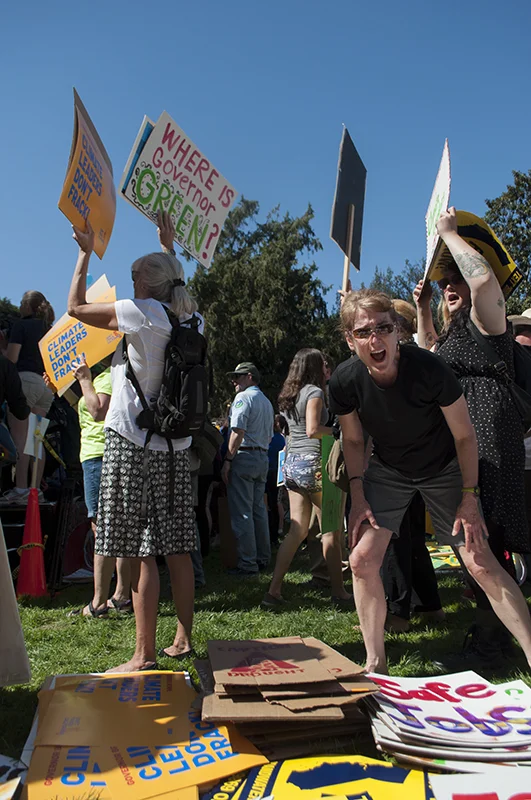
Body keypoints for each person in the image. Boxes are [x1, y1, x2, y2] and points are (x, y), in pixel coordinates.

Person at [329, 288, 531, 674]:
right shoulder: (344, 380)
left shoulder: (428, 369)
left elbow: (465, 436)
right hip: (388, 471)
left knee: (479, 561)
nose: (375, 340)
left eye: (383, 328)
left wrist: (469, 499)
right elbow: (354, 440)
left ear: (397, 331)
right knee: (361, 559)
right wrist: (358, 494)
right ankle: (376, 664)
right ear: (349, 339)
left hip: (445, 468)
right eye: (363, 332)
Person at [67, 212, 198, 672]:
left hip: (135, 442)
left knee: (141, 548)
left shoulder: (141, 314)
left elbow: (76, 309)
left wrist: (84, 252)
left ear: (149, 283)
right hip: (176, 446)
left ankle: (142, 654)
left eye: (136, 273)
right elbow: (174, 282)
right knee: (178, 547)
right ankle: (182, 639)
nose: (131, 277)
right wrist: (169, 247)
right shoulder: (189, 318)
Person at [414, 207, 531, 665]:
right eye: (445, 284)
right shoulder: (452, 333)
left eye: (454, 279)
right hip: (463, 443)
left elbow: (484, 282)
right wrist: (425, 307)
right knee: (474, 542)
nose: (451, 287)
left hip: (490, 439)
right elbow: (427, 352)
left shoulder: (489, 320)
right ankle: (492, 634)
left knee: (491, 538)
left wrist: (449, 236)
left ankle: (495, 641)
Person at [263, 348, 351, 608]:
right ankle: (339, 591)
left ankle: (274, 590)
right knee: (331, 530)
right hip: (315, 464)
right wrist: (337, 429)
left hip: (292, 465)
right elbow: (313, 430)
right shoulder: (313, 393)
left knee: (297, 530)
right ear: (313, 367)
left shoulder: (288, 396)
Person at [382, 299, 444, 632]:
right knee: (412, 537)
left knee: (395, 539)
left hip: (397, 465)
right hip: (419, 464)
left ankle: (397, 612)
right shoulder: (421, 360)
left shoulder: (406, 362)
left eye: (384, 325)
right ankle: (429, 606)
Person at [61, 356, 132, 619]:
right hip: (98, 456)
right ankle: (120, 596)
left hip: (98, 457)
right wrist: (65, 389)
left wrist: (83, 379)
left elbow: (97, 410)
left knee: (102, 526)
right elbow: (83, 406)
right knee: (119, 527)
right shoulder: (104, 378)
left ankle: (99, 602)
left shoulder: (103, 378)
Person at [222, 362, 274, 577]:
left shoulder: (243, 398)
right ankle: (263, 558)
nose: (235, 381)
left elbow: (237, 431)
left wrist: (228, 459)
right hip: (262, 456)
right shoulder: (266, 401)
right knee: (258, 511)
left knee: (242, 512)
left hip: (244, 456)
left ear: (250, 377)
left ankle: (248, 564)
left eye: (239, 376)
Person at [4, 291, 55, 503]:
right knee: (37, 439)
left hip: (24, 383)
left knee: (20, 439)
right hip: (46, 388)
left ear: (27, 305)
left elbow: (12, 359)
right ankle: (35, 489)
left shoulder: (21, 326)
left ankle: (21, 489)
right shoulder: (50, 330)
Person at [266, 414, 287, 546]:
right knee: (275, 504)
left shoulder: (268, 438)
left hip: (267, 472)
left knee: (266, 505)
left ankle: (270, 534)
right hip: (278, 475)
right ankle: (275, 533)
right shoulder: (282, 439)